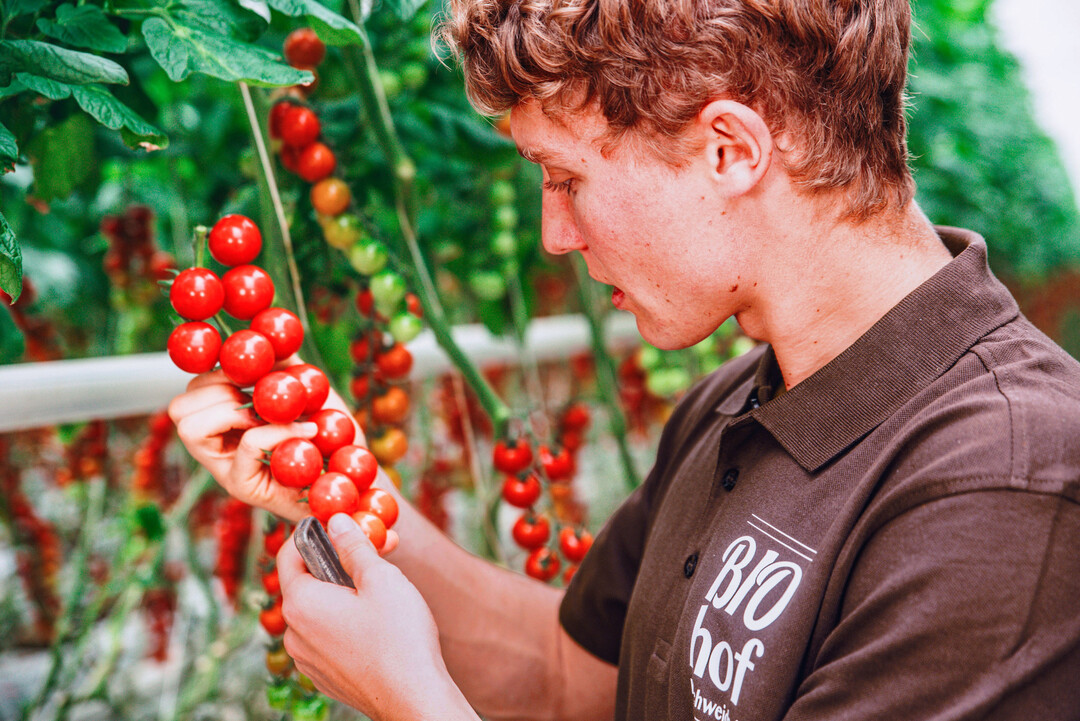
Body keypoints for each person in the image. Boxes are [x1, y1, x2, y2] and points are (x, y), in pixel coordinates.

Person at [168, 0, 1080, 718]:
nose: (552, 234)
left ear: (731, 150)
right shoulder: (736, 405)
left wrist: (411, 702)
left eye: (566, 179)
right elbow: (573, 681)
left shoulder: (1003, 488)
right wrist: (341, 486)